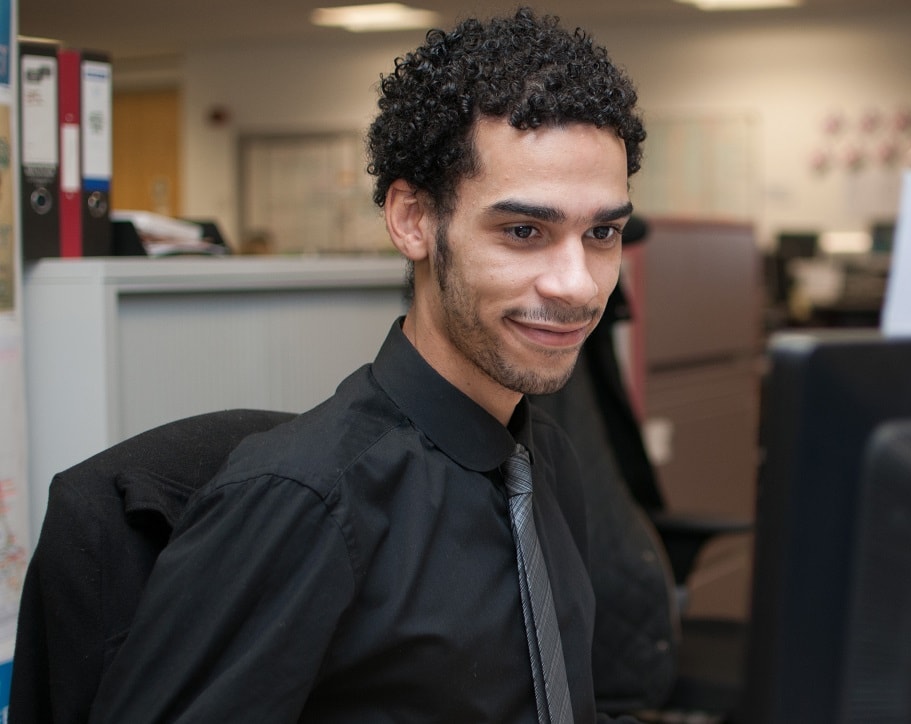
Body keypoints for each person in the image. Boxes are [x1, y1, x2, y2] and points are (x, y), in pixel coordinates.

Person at [88, 8, 647, 723]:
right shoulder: (304, 504)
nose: (576, 284)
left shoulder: (546, 465)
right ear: (413, 220)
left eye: (601, 233)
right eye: (522, 231)